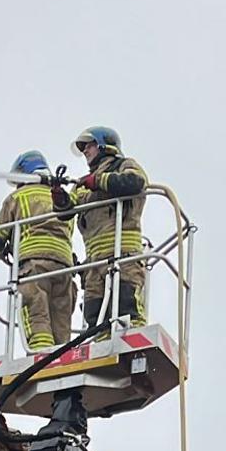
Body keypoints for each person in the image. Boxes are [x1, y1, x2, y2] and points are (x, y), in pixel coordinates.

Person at [0, 151, 75, 355]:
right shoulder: (62, 198)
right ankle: (62, 357)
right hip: (64, 265)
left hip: (34, 265)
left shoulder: (18, 197)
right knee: (60, 319)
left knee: (36, 313)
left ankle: (41, 355)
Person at [70, 126, 149, 331]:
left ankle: (134, 349)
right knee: (95, 318)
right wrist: (59, 197)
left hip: (123, 257)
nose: (85, 151)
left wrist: (99, 180)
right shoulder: (82, 185)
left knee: (127, 309)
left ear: (104, 146)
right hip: (94, 266)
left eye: (89, 146)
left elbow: (135, 182)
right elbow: (66, 211)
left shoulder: (123, 165)